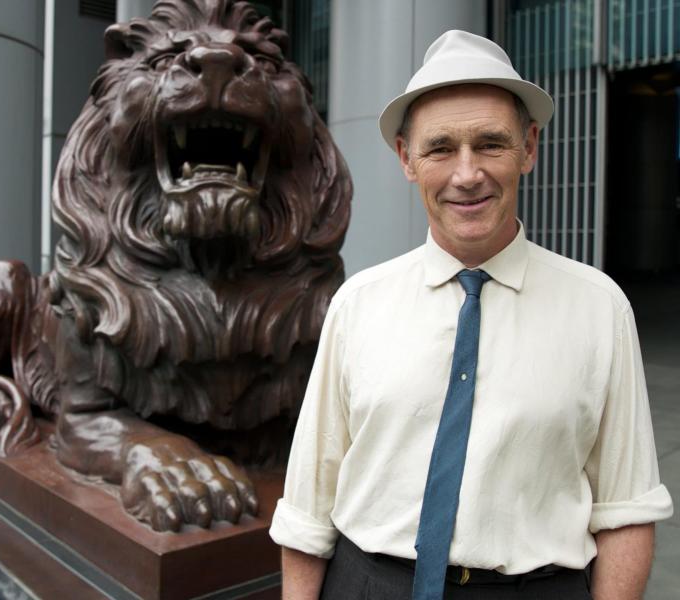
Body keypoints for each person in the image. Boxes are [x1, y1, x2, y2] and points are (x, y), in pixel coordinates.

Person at [269, 30, 674, 600]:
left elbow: (627, 508)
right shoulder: (357, 304)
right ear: (407, 159)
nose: (466, 174)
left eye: (491, 144)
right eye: (440, 148)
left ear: (529, 148)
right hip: (368, 584)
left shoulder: (599, 307)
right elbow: (309, 507)